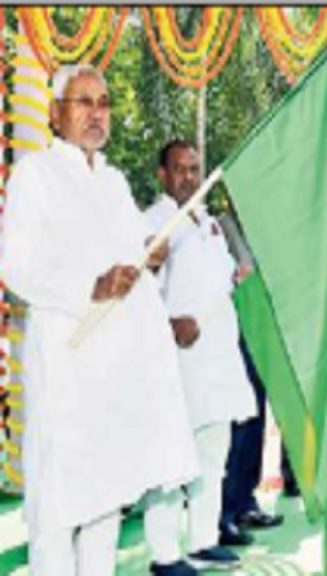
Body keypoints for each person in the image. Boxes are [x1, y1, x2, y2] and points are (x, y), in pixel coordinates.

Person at [0, 64, 199, 575]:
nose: (97, 113)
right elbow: (14, 266)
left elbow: (127, 265)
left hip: (113, 374)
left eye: (104, 103)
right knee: (57, 510)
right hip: (64, 366)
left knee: (105, 504)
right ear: (54, 114)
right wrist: (88, 287)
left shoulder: (113, 182)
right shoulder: (35, 175)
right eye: (83, 102)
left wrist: (146, 258)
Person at [143, 140, 260, 572]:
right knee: (171, 457)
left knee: (213, 454)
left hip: (218, 358)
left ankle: (202, 540)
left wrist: (236, 274)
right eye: (180, 169)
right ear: (162, 174)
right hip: (179, 360)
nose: (189, 177)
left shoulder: (209, 223)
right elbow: (139, 288)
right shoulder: (154, 221)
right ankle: (163, 553)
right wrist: (169, 322)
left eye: (194, 169)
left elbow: (219, 280)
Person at [215, 204, 289, 533]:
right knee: (239, 426)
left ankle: (246, 502)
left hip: (260, 335)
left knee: (256, 420)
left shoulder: (263, 228)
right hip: (232, 338)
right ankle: (226, 510)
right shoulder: (221, 228)